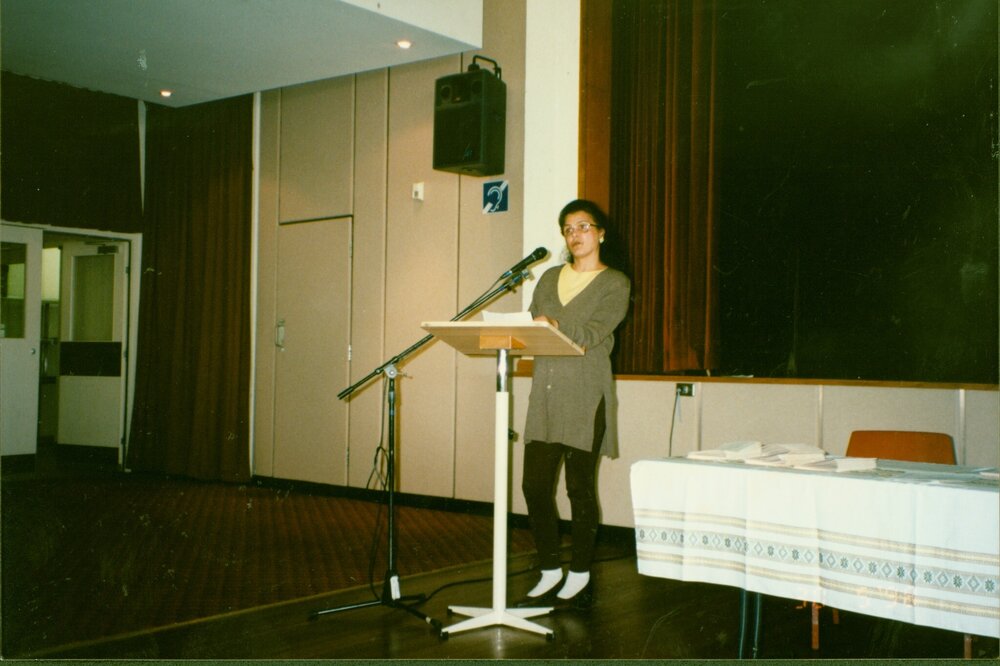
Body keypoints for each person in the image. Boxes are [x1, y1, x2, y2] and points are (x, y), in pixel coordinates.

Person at [517, 199, 630, 610]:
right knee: (533, 485)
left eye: (584, 226)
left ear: (600, 233)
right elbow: (534, 322)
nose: (575, 235)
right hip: (546, 394)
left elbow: (596, 331)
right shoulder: (548, 278)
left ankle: (579, 572)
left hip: (586, 394)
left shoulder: (615, 282)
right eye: (568, 228)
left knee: (579, 488)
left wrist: (557, 324)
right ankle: (549, 567)